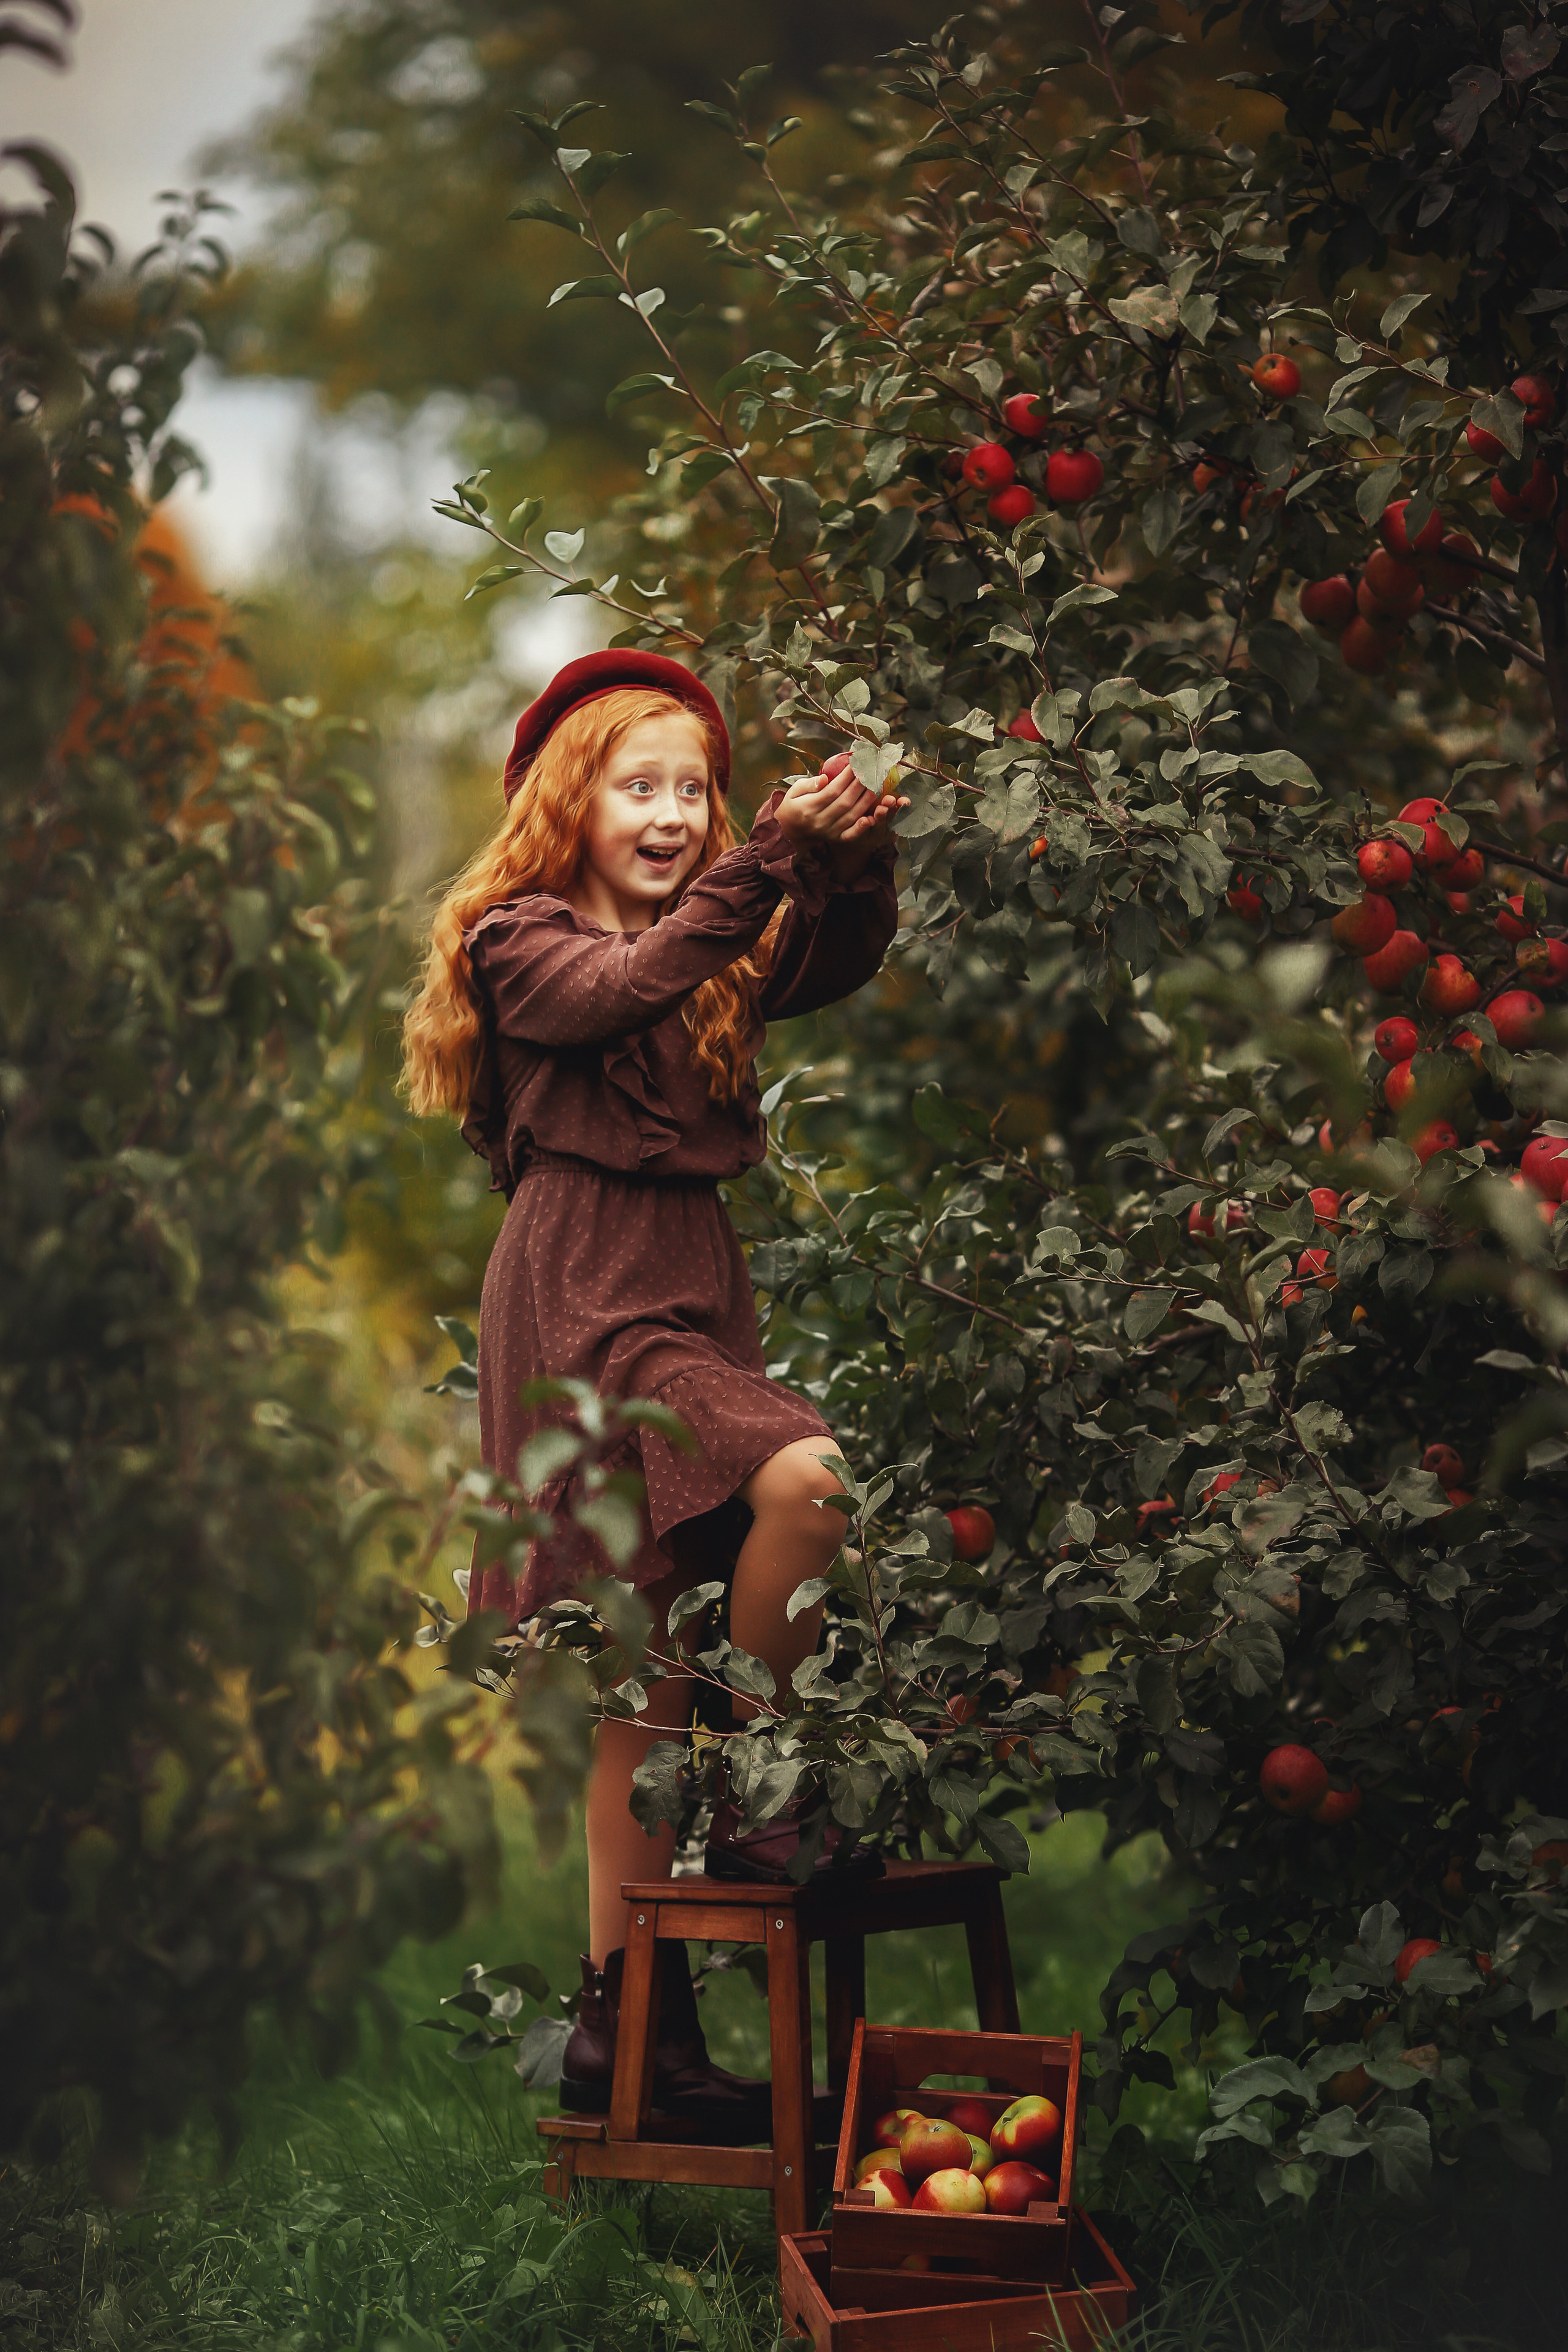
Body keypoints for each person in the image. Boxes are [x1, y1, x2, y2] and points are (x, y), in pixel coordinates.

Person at [402, 649, 903, 2138]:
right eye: (642, 786)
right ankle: (766, 1794)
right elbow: (627, 982)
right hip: (584, 1295)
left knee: (649, 1676)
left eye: (696, 787)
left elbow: (828, 961)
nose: (676, 811)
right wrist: (764, 859)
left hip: (684, 1285)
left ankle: (629, 2041)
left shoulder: (718, 948)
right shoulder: (520, 939)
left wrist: (850, 864)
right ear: (572, 800)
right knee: (809, 1484)